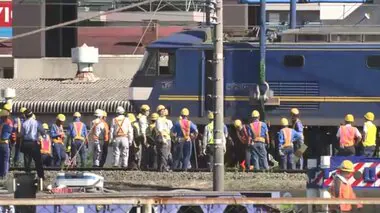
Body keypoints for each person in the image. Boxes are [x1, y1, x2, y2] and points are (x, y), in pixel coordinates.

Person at [20, 109, 45, 180]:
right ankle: (41, 177)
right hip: (34, 143)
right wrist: (42, 136)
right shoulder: (36, 122)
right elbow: (42, 131)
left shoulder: (24, 123)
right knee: (38, 161)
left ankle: (27, 177)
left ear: (25, 115)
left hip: (26, 143)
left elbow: (22, 134)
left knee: (27, 162)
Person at [155, 105, 173, 172]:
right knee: (163, 154)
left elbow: (171, 130)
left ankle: (160, 168)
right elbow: (160, 130)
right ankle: (163, 168)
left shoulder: (168, 121)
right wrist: (163, 139)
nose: (164, 111)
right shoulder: (159, 120)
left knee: (165, 154)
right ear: (160, 112)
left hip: (167, 138)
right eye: (163, 110)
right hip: (162, 138)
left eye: (164, 109)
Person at [0, 110, 12, 178]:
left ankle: (1, 174)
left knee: (1, 159)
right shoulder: (9, 123)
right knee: (5, 159)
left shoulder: (1, 123)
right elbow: (9, 133)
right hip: (5, 143)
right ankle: (4, 175)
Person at [138, 105, 150, 169]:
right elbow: (143, 129)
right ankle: (142, 165)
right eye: (147, 111)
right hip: (143, 136)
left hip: (144, 136)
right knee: (143, 151)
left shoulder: (144, 118)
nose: (148, 112)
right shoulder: (142, 118)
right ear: (143, 111)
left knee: (144, 151)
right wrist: (145, 138)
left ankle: (143, 165)